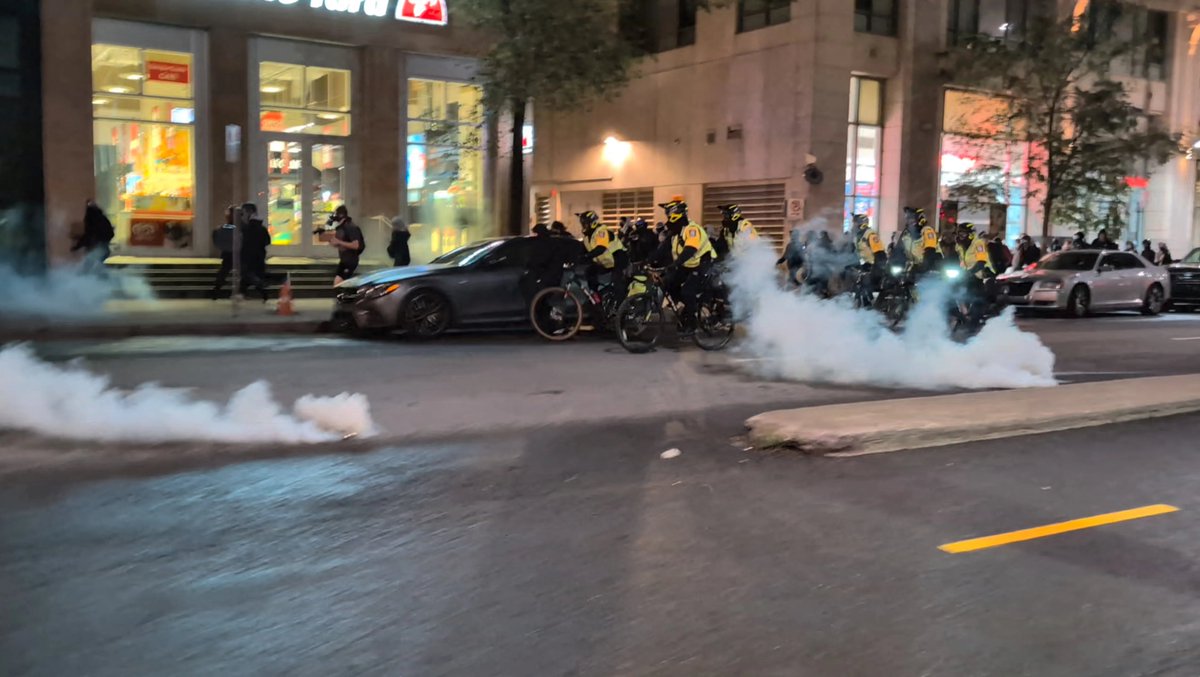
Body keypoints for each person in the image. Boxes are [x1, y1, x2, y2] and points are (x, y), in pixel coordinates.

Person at [658, 197, 715, 334]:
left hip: (702, 264)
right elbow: (661, 250)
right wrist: (645, 261)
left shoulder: (692, 229)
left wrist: (675, 264)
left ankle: (692, 322)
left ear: (676, 213)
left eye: (668, 213)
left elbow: (690, 250)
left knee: (687, 291)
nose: (667, 216)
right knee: (668, 282)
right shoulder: (676, 233)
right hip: (688, 265)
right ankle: (688, 307)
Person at [578, 210, 629, 299]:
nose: (583, 226)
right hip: (606, 262)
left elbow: (601, 248)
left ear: (592, 223)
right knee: (589, 272)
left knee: (617, 282)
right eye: (582, 224)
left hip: (618, 259)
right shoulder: (587, 237)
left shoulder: (602, 231)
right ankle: (596, 298)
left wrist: (587, 256)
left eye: (585, 224)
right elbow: (582, 250)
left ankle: (622, 307)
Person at [239, 202, 271, 301]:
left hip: (247, 256)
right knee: (253, 276)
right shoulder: (262, 229)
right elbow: (267, 241)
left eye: (244, 212)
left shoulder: (245, 228)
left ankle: (258, 290)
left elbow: (241, 241)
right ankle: (261, 292)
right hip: (259, 256)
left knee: (247, 275)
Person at [72, 201, 115, 273]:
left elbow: (89, 234)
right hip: (104, 247)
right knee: (97, 266)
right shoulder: (103, 218)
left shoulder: (92, 220)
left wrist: (78, 246)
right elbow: (110, 233)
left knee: (89, 265)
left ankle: (84, 279)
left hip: (97, 248)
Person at [328, 205, 365, 286]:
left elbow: (356, 245)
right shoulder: (343, 227)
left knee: (338, 282)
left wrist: (339, 242)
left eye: (336, 214)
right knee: (340, 283)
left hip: (350, 260)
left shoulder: (350, 227)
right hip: (344, 260)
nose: (334, 217)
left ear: (340, 215)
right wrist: (335, 243)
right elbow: (343, 243)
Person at [899, 207, 940, 274]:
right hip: (914, 268)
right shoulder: (906, 236)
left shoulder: (927, 231)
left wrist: (924, 265)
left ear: (920, 219)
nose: (909, 222)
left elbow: (930, 251)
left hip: (931, 268)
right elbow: (899, 251)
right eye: (907, 219)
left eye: (912, 219)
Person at [210, 205, 238, 299]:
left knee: (224, 271)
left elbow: (217, 235)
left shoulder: (226, 227)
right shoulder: (235, 227)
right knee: (237, 272)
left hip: (228, 252)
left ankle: (216, 290)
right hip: (235, 252)